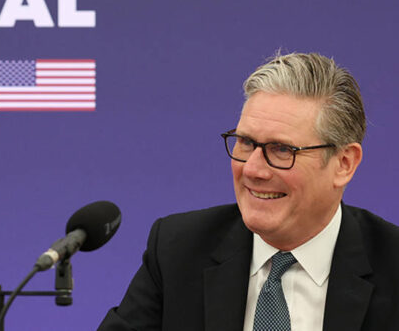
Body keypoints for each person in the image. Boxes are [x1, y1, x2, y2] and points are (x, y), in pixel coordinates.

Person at [97, 52, 399, 330]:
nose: (252, 169)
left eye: (282, 149)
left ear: (344, 163)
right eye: (245, 142)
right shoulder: (178, 251)